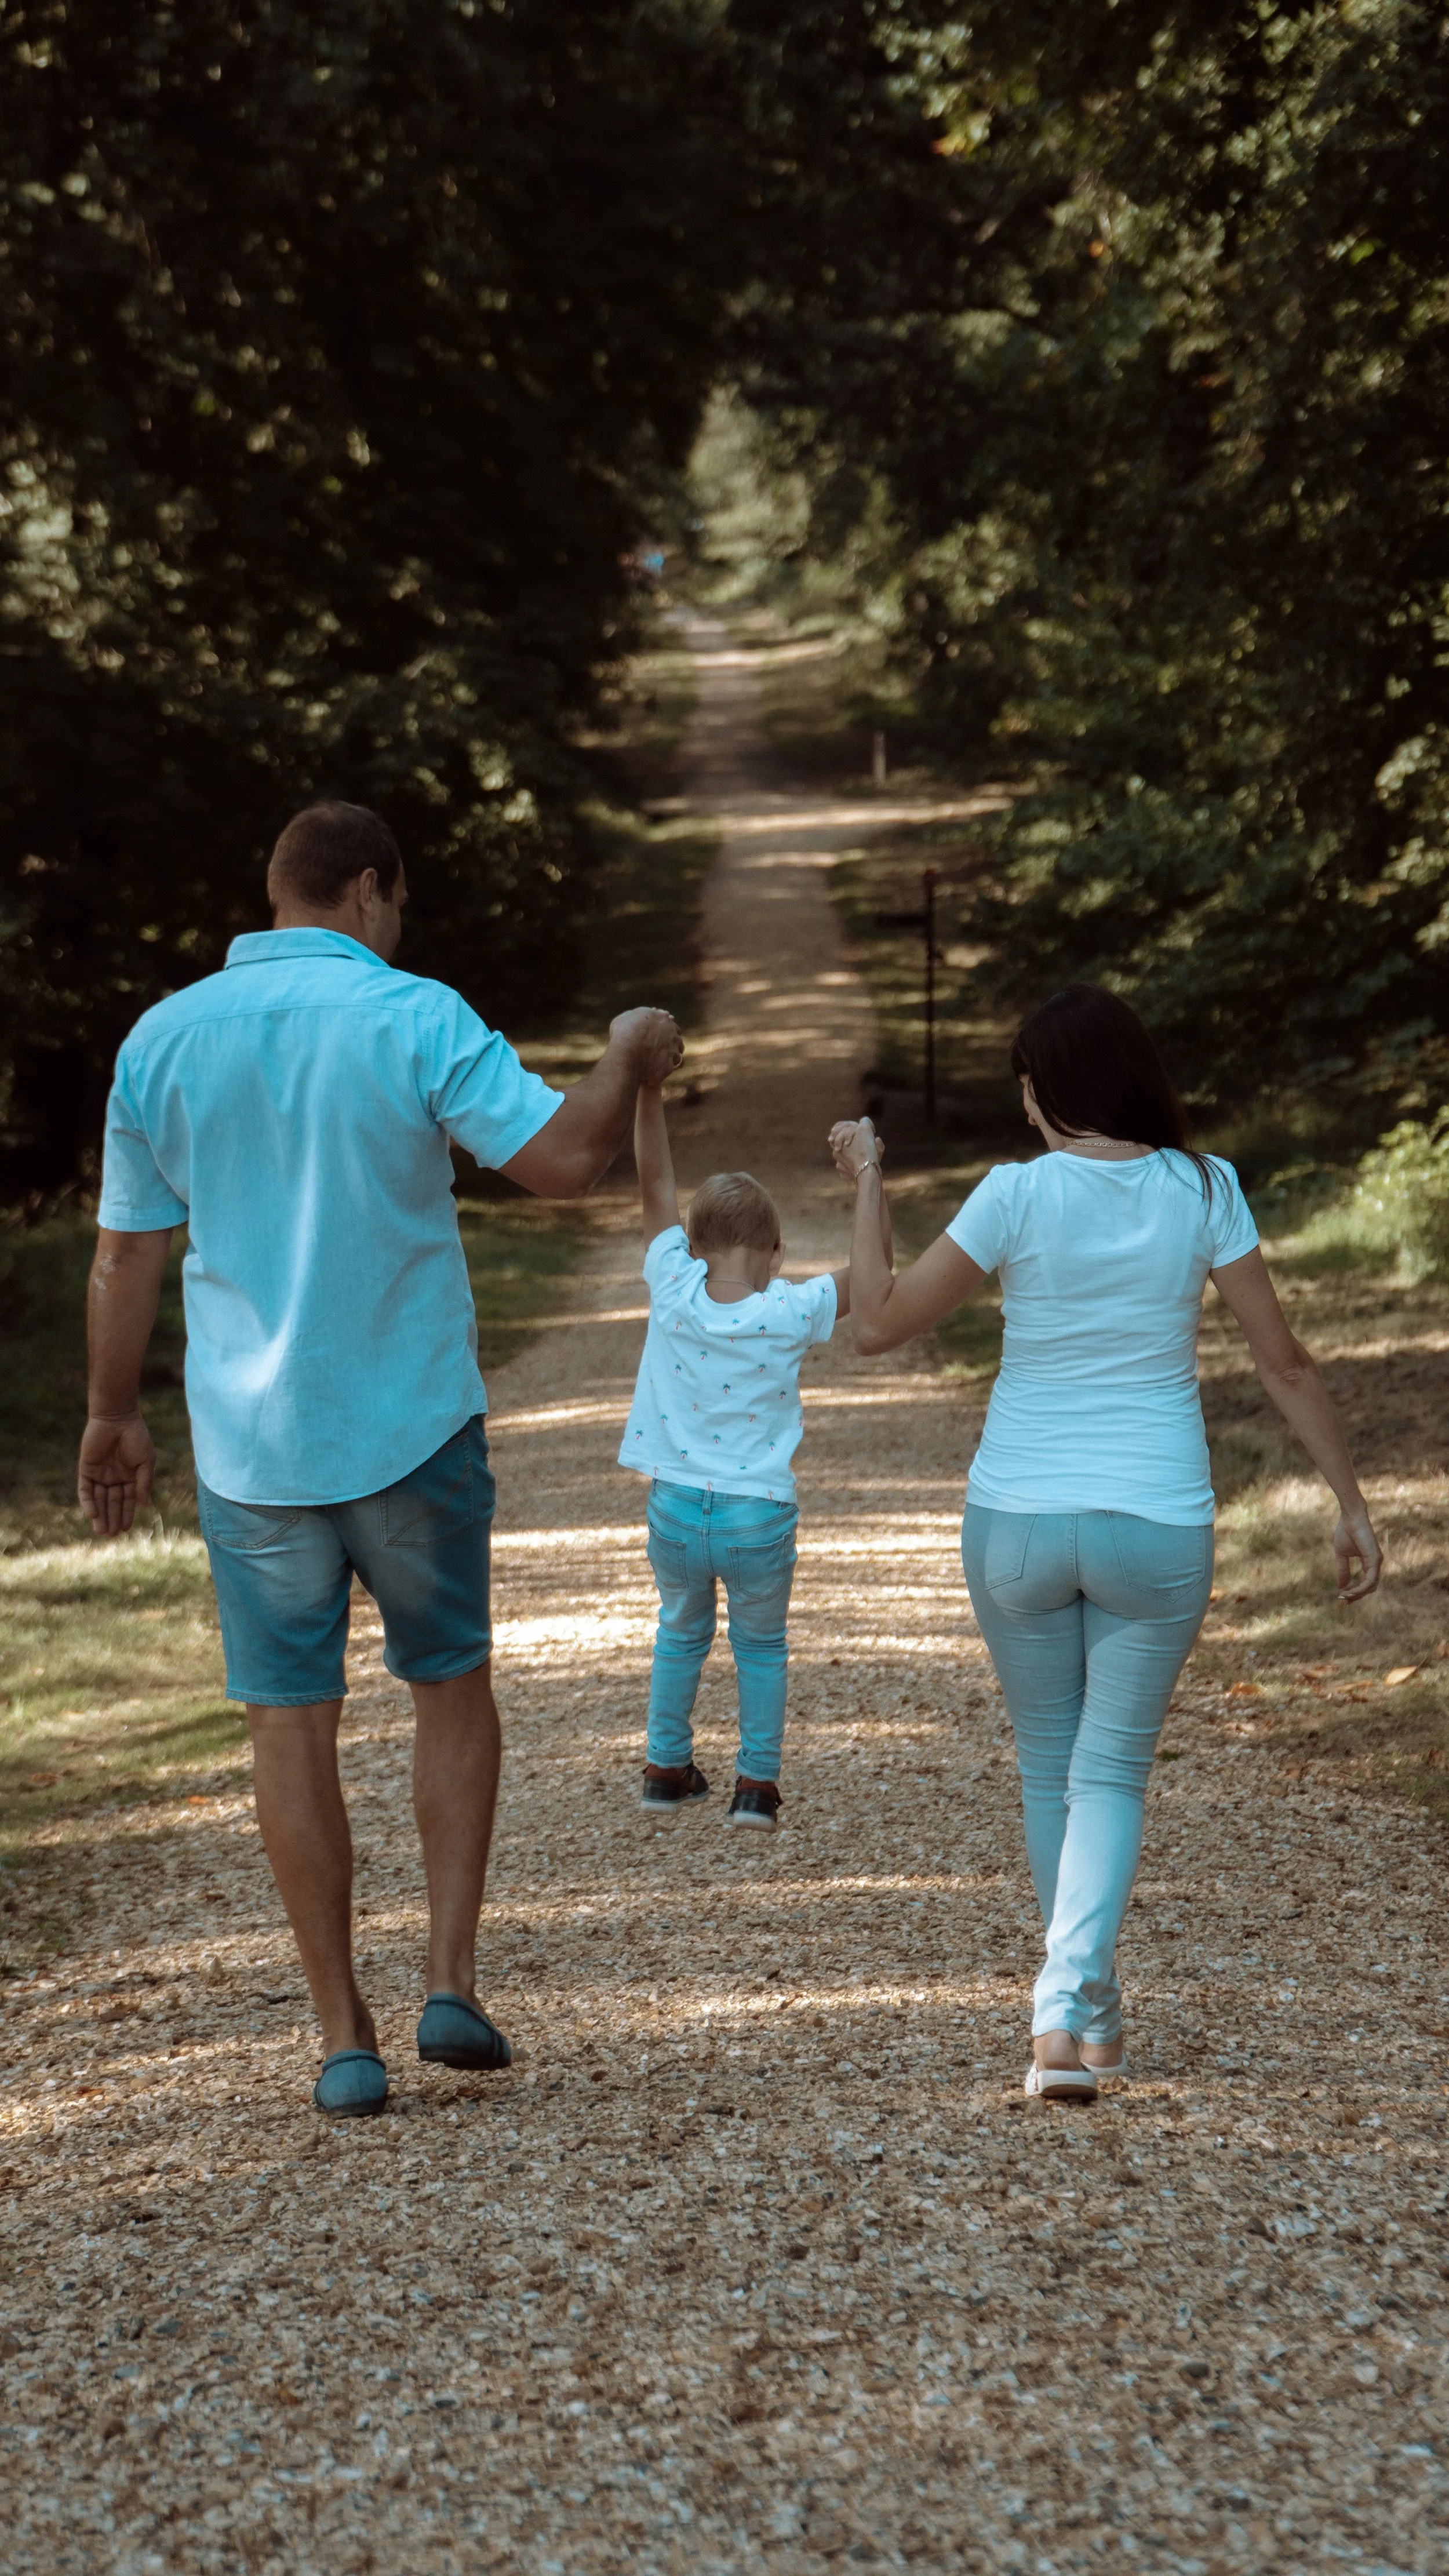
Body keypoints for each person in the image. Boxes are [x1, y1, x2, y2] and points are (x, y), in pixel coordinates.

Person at [80, 799, 682, 2117]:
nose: (396, 922)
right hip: (412, 1424)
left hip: (252, 1449)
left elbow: (127, 1249)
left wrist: (112, 1408)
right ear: (368, 887)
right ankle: (449, 1979)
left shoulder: (163, 1037)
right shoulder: (414, 1015)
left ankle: (341, 2033)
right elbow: (565, 1160)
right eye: (397, 901)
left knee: (289, 1723)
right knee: (449, 1686)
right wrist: (629, 1054)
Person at [830, 982, 1382, 2104]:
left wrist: (869, 1179)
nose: (1023, 1106)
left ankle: (1075, 2008)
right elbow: (1284, 1361)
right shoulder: (1205, 1186)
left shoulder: (1014, 1194)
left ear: (1046, 1091)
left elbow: (876, 1323)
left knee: (1054, 1764)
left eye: (1026, 1086)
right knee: (1111, 1770)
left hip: (1018, 1523)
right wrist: (1352, 1501)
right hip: (1156, 1525)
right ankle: (1074, 2000)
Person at [619, 1082, 891, 1828]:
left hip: (676, 1508)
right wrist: (868, 1174)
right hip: (757, 1516)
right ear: (775, 1254)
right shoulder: (790, 1307)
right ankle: (756, 1788)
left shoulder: (671, 1282)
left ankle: (665, 1768)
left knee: (679, 1632)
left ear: (692, 1246)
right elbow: (875, 1277)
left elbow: (655, 1181)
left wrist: (648, 1088)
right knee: (761, 1647)